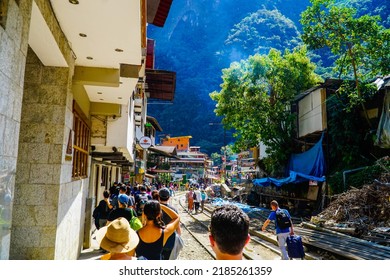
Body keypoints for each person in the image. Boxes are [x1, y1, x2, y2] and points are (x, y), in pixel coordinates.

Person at [158, 187, 182, 260]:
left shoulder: (155, 208)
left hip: (157, 239)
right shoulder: (173, 210)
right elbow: (177, 227)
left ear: (158, 197)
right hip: (170, 240)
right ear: (169, 198)